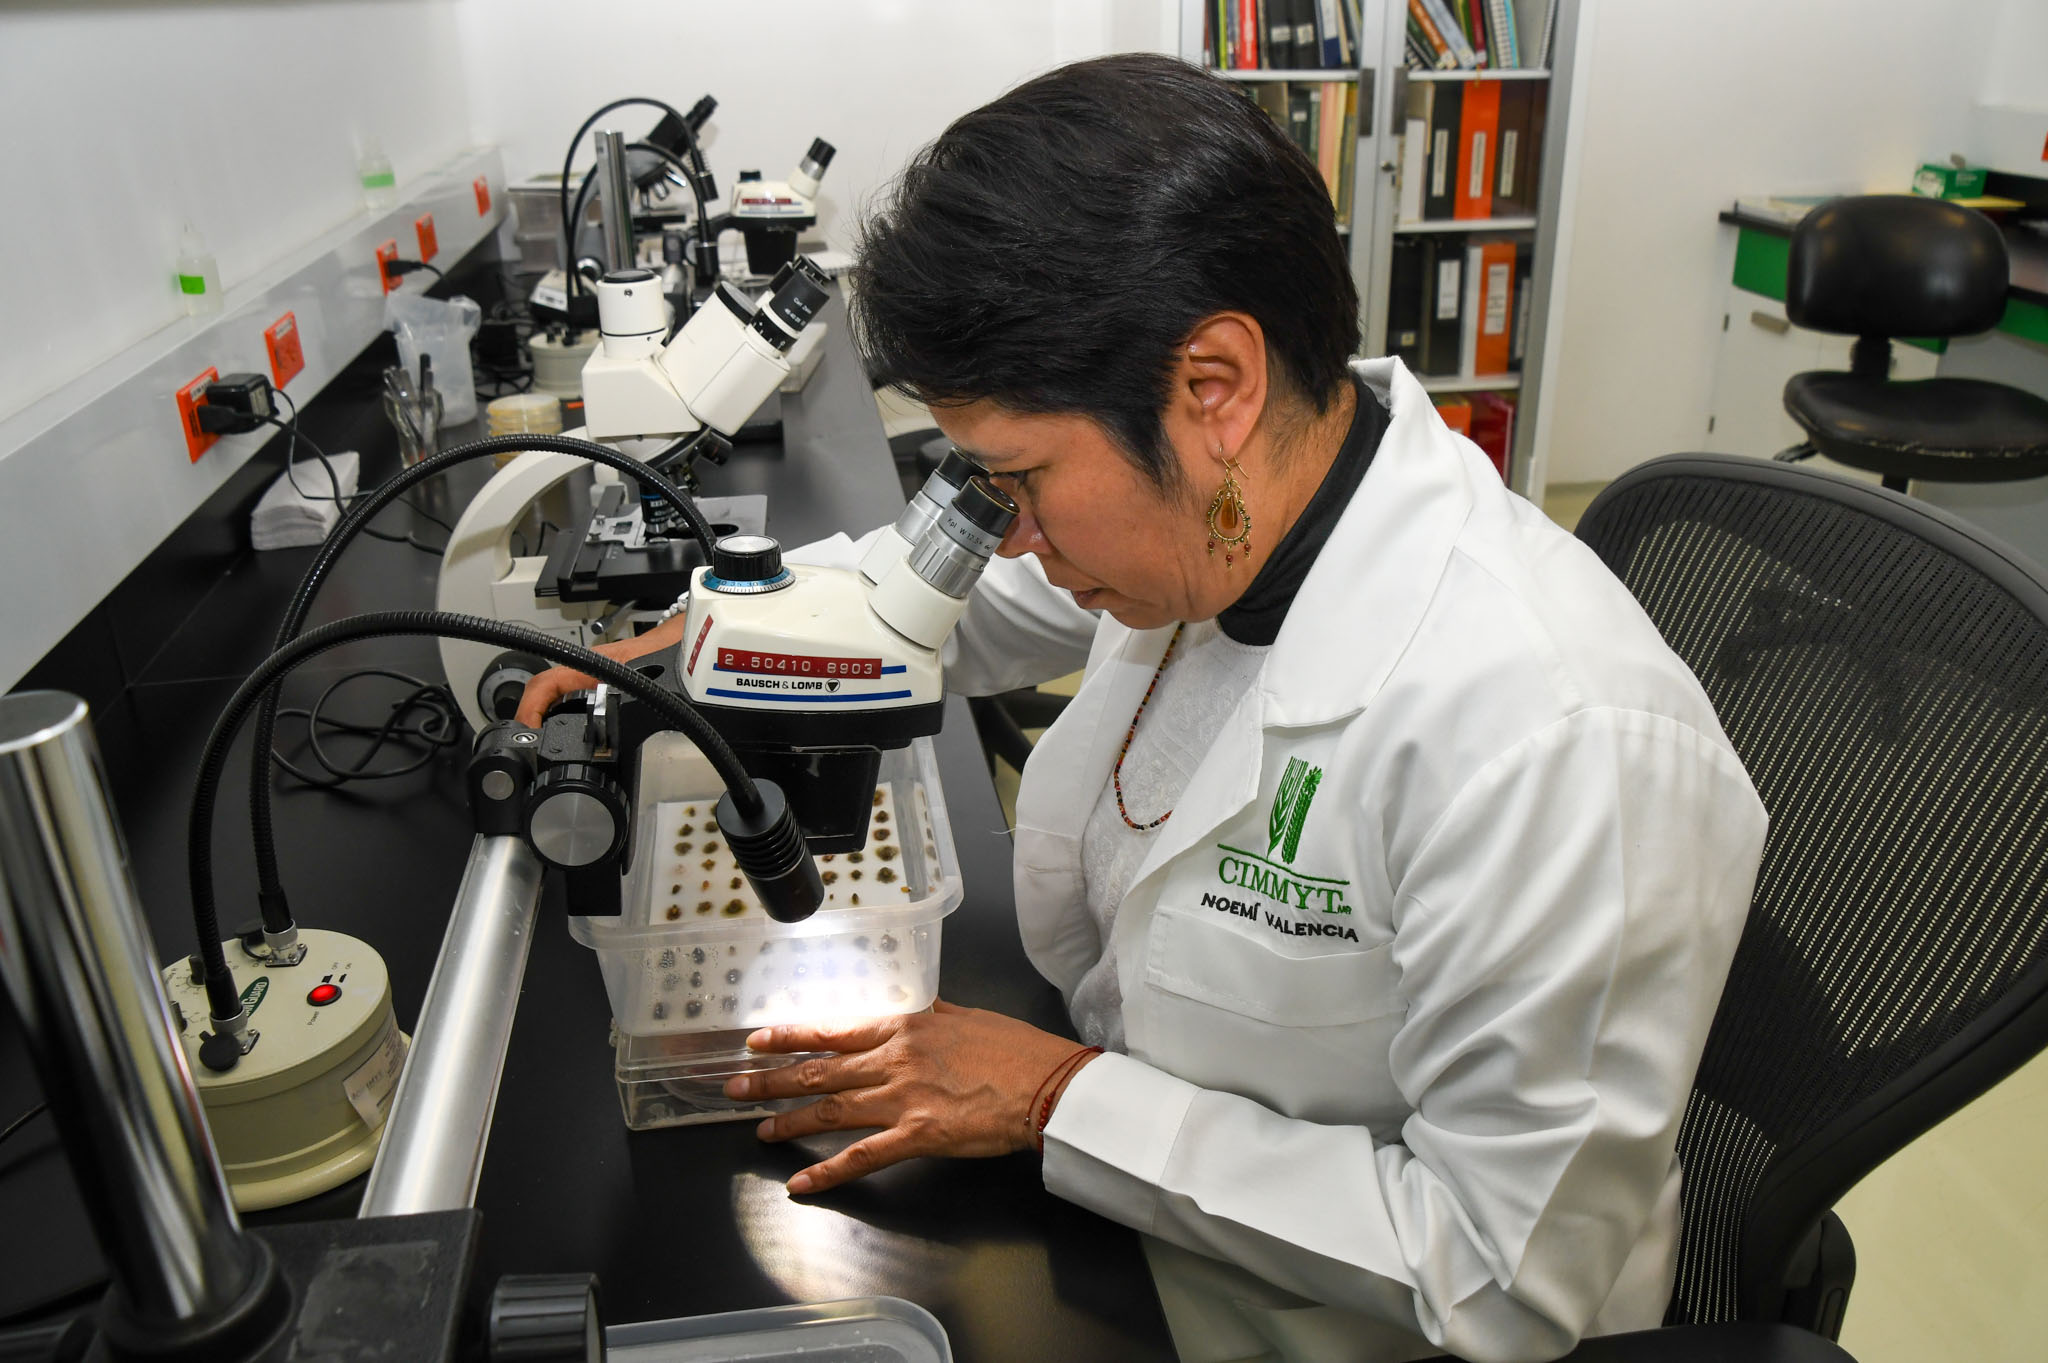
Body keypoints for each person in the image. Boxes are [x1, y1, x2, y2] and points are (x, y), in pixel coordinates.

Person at [517, 54, 1767, 1363]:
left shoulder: (1552, 744)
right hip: (1149, 1217)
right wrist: (718, 643)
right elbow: (947, 613)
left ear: (1213, 385)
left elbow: (1503, 1277)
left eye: (1022, 477)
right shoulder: (1233, 510)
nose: (1009, 536)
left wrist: (1059, 1099)